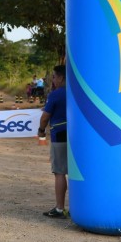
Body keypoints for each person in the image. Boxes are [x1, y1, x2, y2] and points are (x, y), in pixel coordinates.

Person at [37, 65, 67, 218]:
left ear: (61, 77)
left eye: (54, 77)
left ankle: (60, 208)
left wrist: (41, 130)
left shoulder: (56, 95)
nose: (53, 80)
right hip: (77, 138)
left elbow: (45, 117)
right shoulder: (75, 92)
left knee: (60, 172)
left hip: (59, 137)